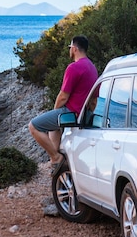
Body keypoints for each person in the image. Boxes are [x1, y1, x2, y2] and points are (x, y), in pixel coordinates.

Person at [29, 35, 98, 175]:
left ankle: (56, 158)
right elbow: (94, 100)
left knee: (34, 126)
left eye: (70, 48)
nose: (69, 51)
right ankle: (57, 166)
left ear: (74, 48)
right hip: (84, 114)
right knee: (52, 127)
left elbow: (63, 96)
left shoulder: (74, 67)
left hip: (71, 113)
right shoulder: (92, 67)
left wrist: (56, 111)